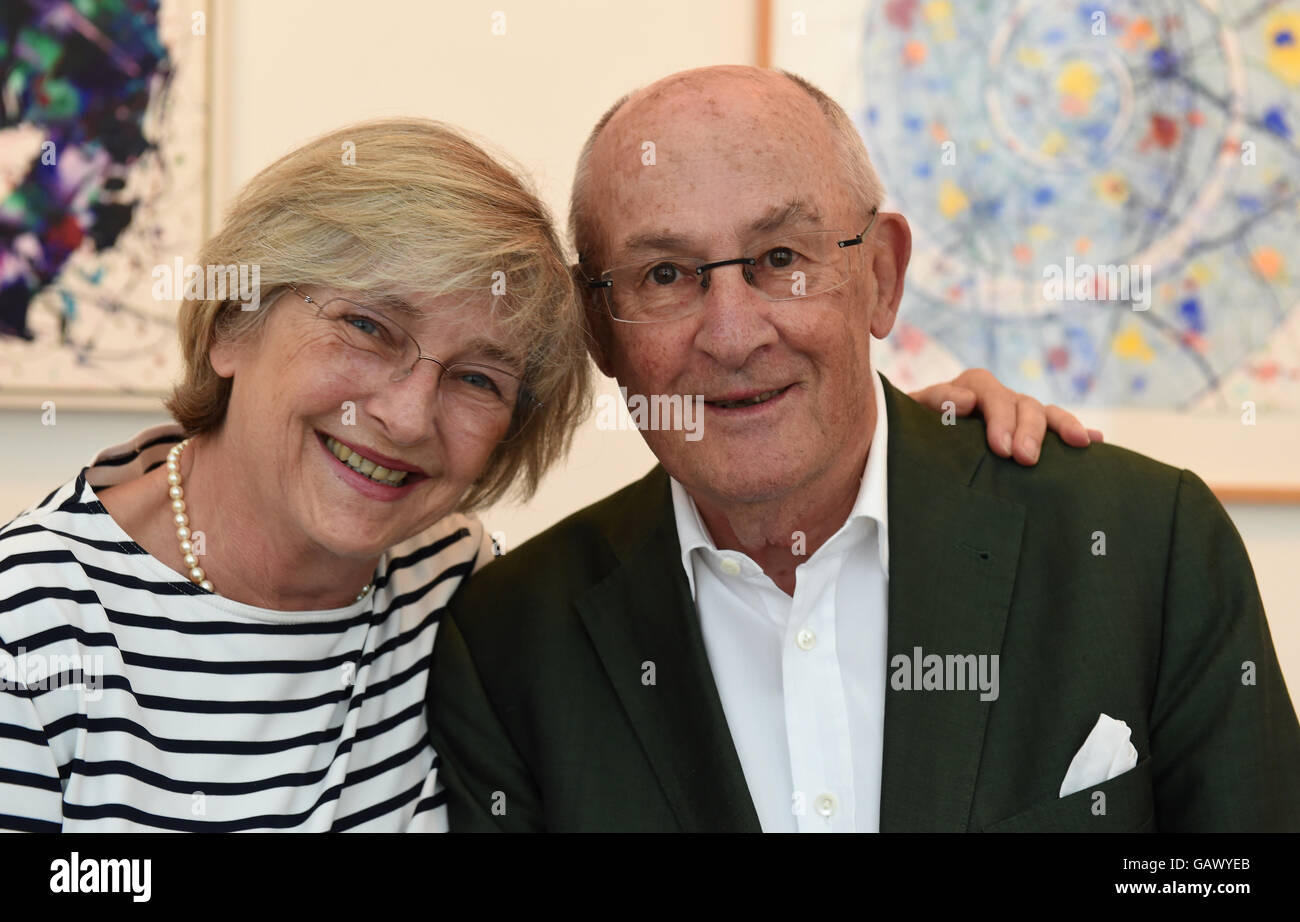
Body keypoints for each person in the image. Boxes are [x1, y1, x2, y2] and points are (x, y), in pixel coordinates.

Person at [0, 116, 1073, 832]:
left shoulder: (454, 589)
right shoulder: (30, 627)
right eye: (369, 326)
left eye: (476, 377)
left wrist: (932, 455)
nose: (407, 413)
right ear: (234, 323)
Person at [427, 67, 1300, 832]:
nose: (732, 335)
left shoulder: (1145, 545)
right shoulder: (510, 644)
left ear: (880, 277)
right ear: (601, 330)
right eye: (664, 275)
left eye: (780, 257)